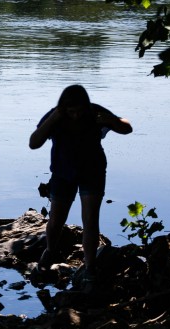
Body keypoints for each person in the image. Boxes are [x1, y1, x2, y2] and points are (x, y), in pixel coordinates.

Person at [29, 84, 132, 291]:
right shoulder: (56, 116)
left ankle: (90, 269)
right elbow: (34, 142)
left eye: (79, 111)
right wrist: (55, 118)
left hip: (92, 172)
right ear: (64, 108)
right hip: (62, 173)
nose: (75, 115)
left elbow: (127, 127)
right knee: (56, 219)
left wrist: (110, 121)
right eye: (71, 112)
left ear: (85, 106)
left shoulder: (95, 112)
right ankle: (49, 252)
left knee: (90, 220)